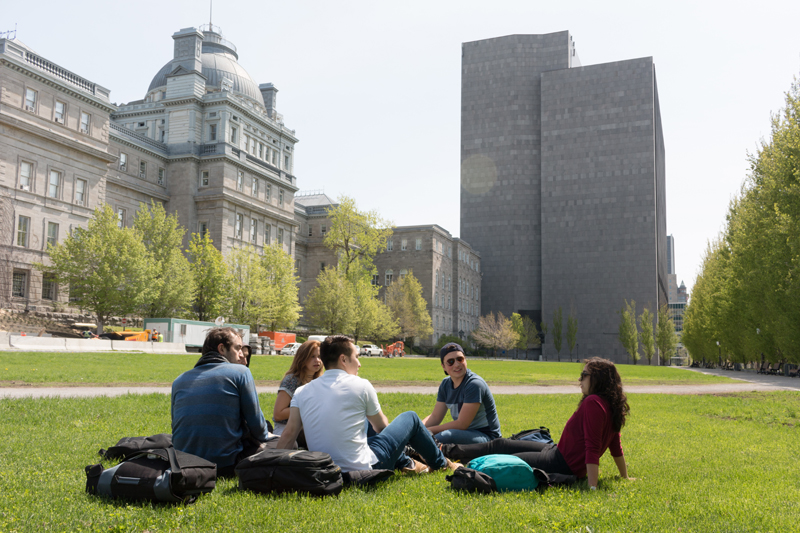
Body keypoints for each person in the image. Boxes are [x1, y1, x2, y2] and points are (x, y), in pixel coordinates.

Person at [441, 357, 633, 490]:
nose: (579, 379)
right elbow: (615, 445)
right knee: (502, 444)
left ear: (598, 379)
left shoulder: (594, 403)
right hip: (556, 451)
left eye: (584, 375)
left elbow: (593, 447)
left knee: (506, 459)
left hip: (561, 463)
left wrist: (592, 487)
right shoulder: (610, 405)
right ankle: (444, 449)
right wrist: (624, 476)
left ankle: (449, 460)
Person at [275, 335, 454, 474]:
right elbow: (381, 427)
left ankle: (408, 463)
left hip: (325, 469)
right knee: (411, 418)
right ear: (343, 359)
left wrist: (272, 466)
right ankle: (442, 463)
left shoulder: (301, 392)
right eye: (356, 357)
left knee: (364, 424)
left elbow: (289, 435)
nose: (359, 364)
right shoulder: (360, 385)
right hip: (364, 468)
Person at [171, 327, 285, 477]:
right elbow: (258, 428)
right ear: (222, 349)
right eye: (238, 348)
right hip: (225, 464)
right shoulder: (240, 373)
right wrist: (271, 436)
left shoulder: (178, 381)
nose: (241, 354)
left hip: (184, 463)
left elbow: (175, 426)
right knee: (286, 443)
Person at [422, 342, 501, 445]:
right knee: (414, 421)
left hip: (487, 437)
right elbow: (435, 417)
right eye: (450, 362)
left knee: (446, 436)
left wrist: (427, 432)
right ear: (443, 366)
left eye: (460, 359)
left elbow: (462, 424)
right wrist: (419, 428)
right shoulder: (445, 384)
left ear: (465, 360)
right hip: (464, 433)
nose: (457, 364)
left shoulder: (474, 384)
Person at [272, 340, 323, 436]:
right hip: (286, 429)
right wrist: (309, 408)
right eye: (312, 356)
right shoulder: (291, 380)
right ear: (302, 358)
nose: (317, 360)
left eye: (320, 356)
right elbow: (278, 414)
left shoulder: (320, 380)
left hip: (309, 427)